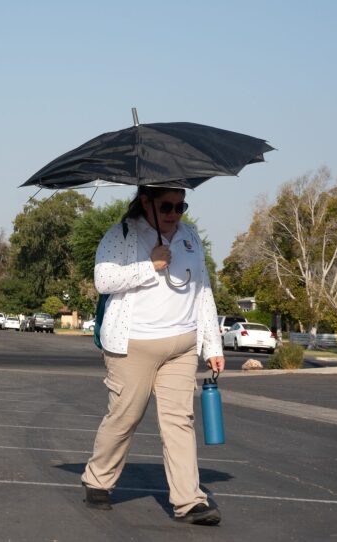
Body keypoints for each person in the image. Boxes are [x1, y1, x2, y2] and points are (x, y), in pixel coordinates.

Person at [81, 185, 226, 526]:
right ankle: (97, 479)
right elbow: (104, 280)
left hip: (182, 345)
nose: (175, 214)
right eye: (167, 206)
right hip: (133, 345)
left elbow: (202, 290)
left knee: (179, 422)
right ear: (145, 202)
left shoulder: (189, 236)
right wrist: (151, 265)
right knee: (125, 417)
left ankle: (189, 500)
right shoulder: (123, 234)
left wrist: (212, 345)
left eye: (181, 206)